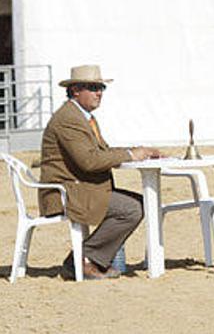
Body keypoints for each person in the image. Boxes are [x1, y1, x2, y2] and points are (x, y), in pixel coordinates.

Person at [38, 65, 160, 280]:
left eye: (101, 87)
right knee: (133, 208)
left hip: (79, 187)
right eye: (93, 87)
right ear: (76, 90)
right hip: (67, 192)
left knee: (138, 204)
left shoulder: (81, 116)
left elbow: (100, 152)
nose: (99, 93)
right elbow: (89, 161)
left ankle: (87, 258)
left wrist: (136, 152)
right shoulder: (69, 119)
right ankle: (84, 259)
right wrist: (131, 155)